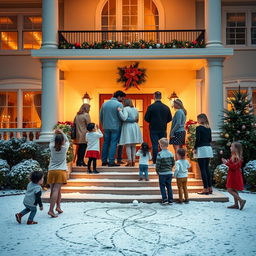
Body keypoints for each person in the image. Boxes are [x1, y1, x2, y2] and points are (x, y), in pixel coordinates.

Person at [100, 90, 126, 167]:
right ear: (118, 97)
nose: (122, 99)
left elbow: (101, 116)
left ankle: (104, 161)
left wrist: (103, 125)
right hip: (116, 126)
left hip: (106, 127)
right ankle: (111, 161)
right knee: (113, 143)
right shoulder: (119, 104)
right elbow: (121, 117)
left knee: (105, 143)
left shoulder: (104, 104)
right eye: (122, 98)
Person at [145, 91, 172, 164]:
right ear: (161, 97)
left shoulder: (151, 107)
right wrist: (163, 122)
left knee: (155, 145)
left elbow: (146, 118)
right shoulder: (166, 107)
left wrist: (152, 121)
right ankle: (163, 160)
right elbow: (170, 118)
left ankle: (155, 161)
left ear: (154, 97)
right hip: (163, 128)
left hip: (153, 129)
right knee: (163, 145)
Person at [47, 129, 69, 218]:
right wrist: (62, 132)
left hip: (52, 171)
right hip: (60, 171)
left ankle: (58, 207)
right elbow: (67, 139)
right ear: (62, 140)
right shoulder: (65, 147)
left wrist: (55, 133)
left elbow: (52, 140)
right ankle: (51, 210)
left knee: (55, 191)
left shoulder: (52, 147)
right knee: (57, 190)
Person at [118, 99, 143, 166]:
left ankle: (129, 161)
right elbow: (137, 119)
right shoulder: (135, 109)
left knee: (128, 144)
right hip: (135, 126)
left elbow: (124, 118)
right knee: (133, 145)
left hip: (128, 127)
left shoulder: (125, 108)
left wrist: (120, 111)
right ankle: (134, 161)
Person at [222, 142, 246, 210]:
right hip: (232, 174)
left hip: (235, 175)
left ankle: (241, 200)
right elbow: (231, 164)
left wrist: (226, 163)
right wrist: (227, 162)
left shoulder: (237, 157)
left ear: (236, 149)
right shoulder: (233, 155)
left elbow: (234, 167)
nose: (230, 148)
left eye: (232, 147)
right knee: (234, 189)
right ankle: (236, 205)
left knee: (229, 189)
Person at [194, 114, 213, 195]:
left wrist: (194, 148)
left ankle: (205, 188)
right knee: (207, 169)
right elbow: (210, 139)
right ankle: (210, 187)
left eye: (198, 119)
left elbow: (198, 139)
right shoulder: (208, 128)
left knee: (203, 170)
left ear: (201, 119)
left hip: (201, 149)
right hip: (208, 149)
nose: (197, 120)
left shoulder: (199, 128)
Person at [156, 138, 175, 204]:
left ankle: (164, 199)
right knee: (169, 186)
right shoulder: (171, 153)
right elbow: (173, 163)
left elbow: (158, 164)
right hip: (169, 173)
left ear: (160, 145)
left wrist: (157, 171)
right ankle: (171, 199)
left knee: (162, 186)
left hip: (162, 173)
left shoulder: (160, 154)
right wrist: (170, 168)